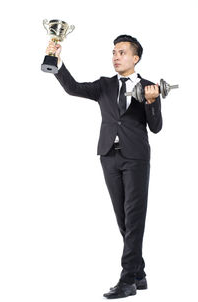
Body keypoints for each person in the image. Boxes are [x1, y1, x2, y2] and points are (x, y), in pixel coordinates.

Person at [45, 34, 163, 299]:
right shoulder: (104, 86)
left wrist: (153, 103)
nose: (116, 57)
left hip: (135, 158)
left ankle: (127, 281)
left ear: (135, 57)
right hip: (109, 155)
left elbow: (155, 128)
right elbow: (72, 87)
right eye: (113, 52)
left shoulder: (149, 87)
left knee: (134, 217)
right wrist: (56, 61)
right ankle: (139, 273)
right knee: (123, 218)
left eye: (121, 52)